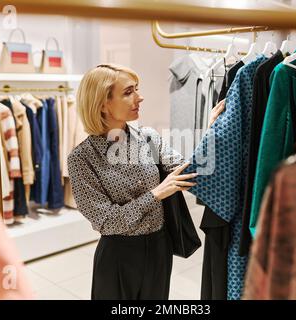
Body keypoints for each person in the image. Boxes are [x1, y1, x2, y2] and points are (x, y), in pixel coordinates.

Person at [67, 63, 225, 300]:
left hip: (159, 247)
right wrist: (157, 194)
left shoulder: (148, 138)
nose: (139, 98)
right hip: (119, 255)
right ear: (102, 103)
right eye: (128, 92)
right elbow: (107, 221)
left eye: (136, 89)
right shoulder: (82, 159)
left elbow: (191, 172)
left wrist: (213, 131)